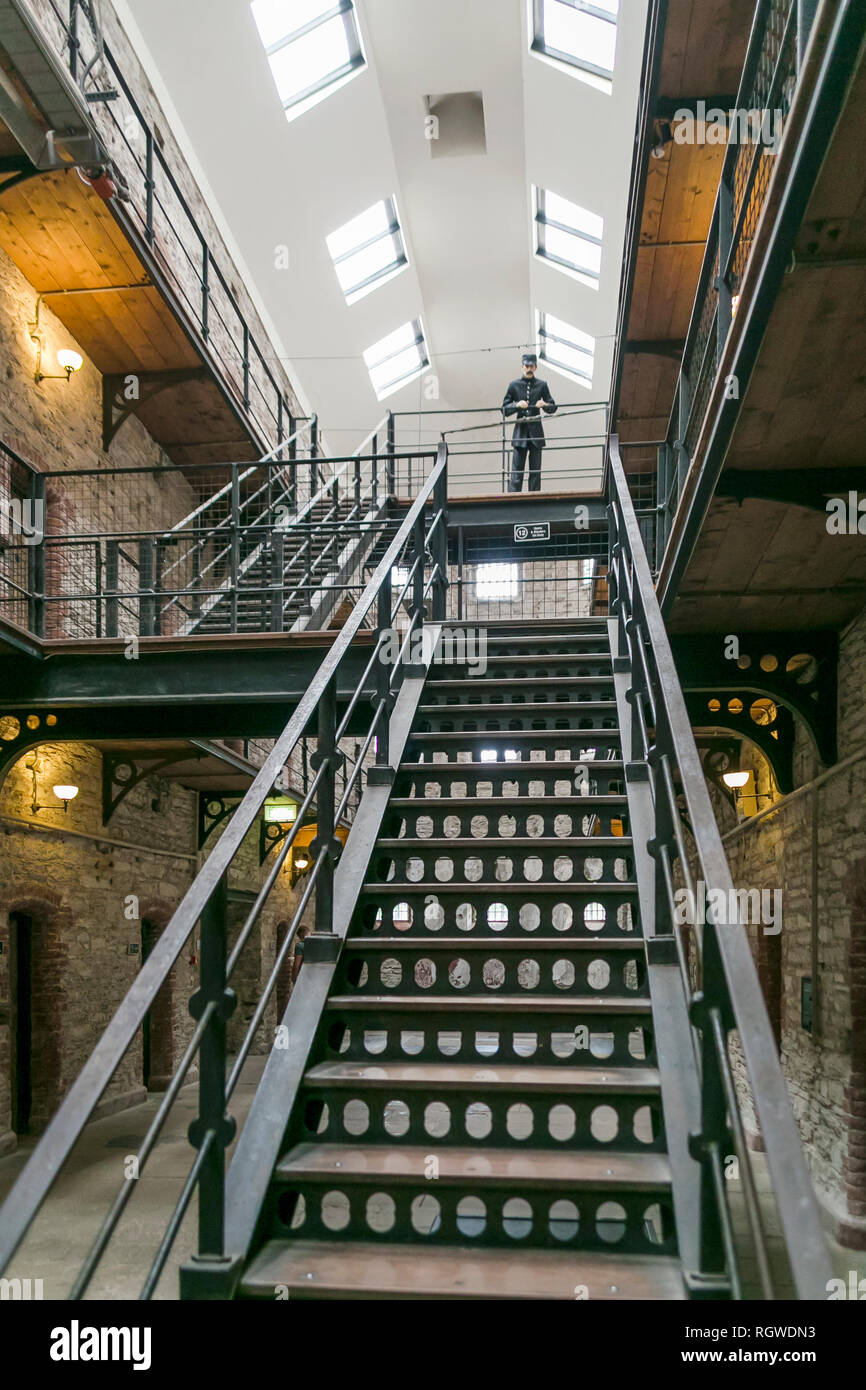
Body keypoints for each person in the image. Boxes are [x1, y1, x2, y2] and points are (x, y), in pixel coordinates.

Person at [502, 352, 557, 492]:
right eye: (526, 365)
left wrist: (544, 404)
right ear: (522, 367)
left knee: (535, 472)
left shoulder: (542, 385)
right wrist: (516, 405)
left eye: (531, 366)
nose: (529, 368)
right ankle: (513, 499)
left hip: (536, 434)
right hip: (520, 434)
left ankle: (534, 499)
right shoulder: (514, 385)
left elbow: (553, 407)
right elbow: (504, 409)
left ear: (536, 367)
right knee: (516, 473)